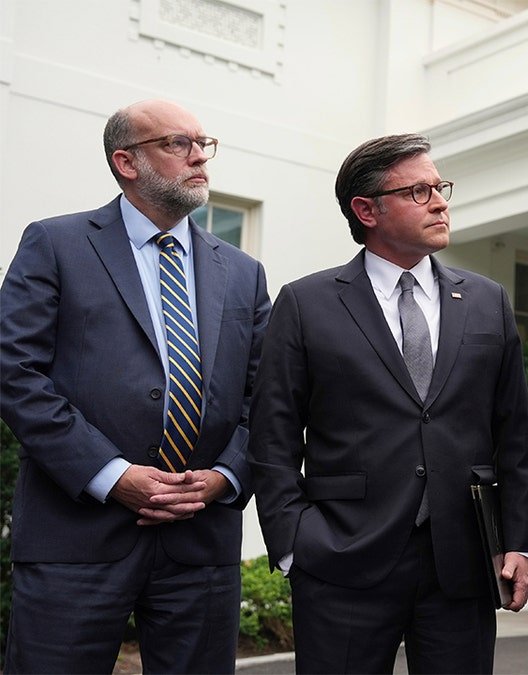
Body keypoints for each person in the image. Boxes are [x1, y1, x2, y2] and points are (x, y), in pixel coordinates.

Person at [249, 134, 528, 674]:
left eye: (440, 188)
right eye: (418, 191)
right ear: (366, 210)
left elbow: (516, 435)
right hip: (341, 560)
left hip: (461, 562)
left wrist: (523, 542)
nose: (440, 202)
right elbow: (272, 436)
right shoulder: (305, 303)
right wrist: (295, 544)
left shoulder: (487, 301)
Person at [0, 100, 271, 673]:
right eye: (178, 144)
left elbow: (267, 399)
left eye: (204, 143)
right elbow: (15, 371)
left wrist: (224, 478)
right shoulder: (56, 244)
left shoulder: (243, 271)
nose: (199, 156)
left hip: (201, 542)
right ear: (126, 161)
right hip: (75, 540)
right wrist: (110, 475)